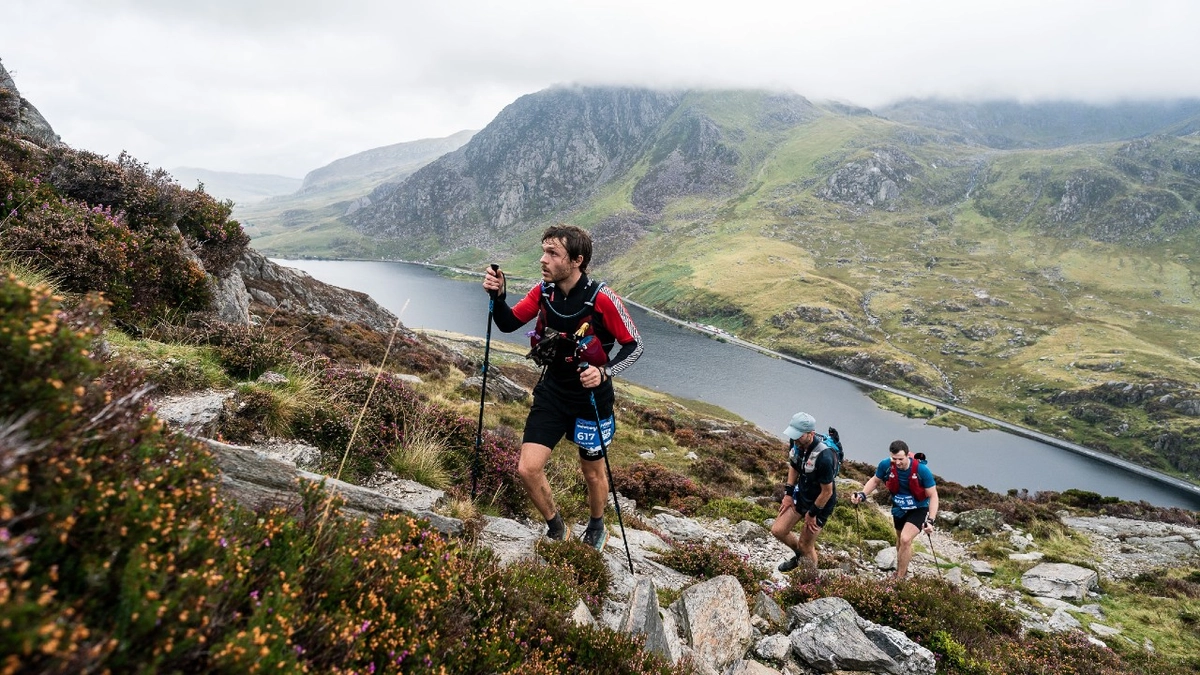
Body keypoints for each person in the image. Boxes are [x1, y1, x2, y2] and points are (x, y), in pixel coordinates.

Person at [482, 224, 642, 550]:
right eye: (544, 251)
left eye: (553, 253)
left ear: (577, 260)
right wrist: (499, 296)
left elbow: (634, 345)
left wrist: (604, 371)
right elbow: (508, 322)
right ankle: (557, 526)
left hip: (591, 399)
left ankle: (597, 526)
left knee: (593, 474)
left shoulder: (602, 298)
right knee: (528, 469)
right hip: (553, 392)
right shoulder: (544, 291)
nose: (544, 259)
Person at [850, 440, 939, 579]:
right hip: (899, 508)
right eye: (894, 459)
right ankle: (902, 567)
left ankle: (899, 578)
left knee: (905, 539)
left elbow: (933, 495)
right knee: (899, 540)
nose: (897, 463)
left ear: (908, 456)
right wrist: (862, 494)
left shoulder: (922, 470)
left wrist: (931, 520)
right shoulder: (886, 465)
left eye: (900, 459)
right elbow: (874, 481)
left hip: (918, 508)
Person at [770, 412, 838, 572]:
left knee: (805, 545)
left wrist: (812, 513)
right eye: (793, 435)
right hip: (802, 494)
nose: (795, 440)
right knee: (778, 530)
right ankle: (799, 556)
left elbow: (827, 492)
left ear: (811, 434)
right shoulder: (796, 443)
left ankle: (810, 581)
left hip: (821, 503)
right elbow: (794, 466)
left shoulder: (824, 456)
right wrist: (788, 494)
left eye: (799, 436)